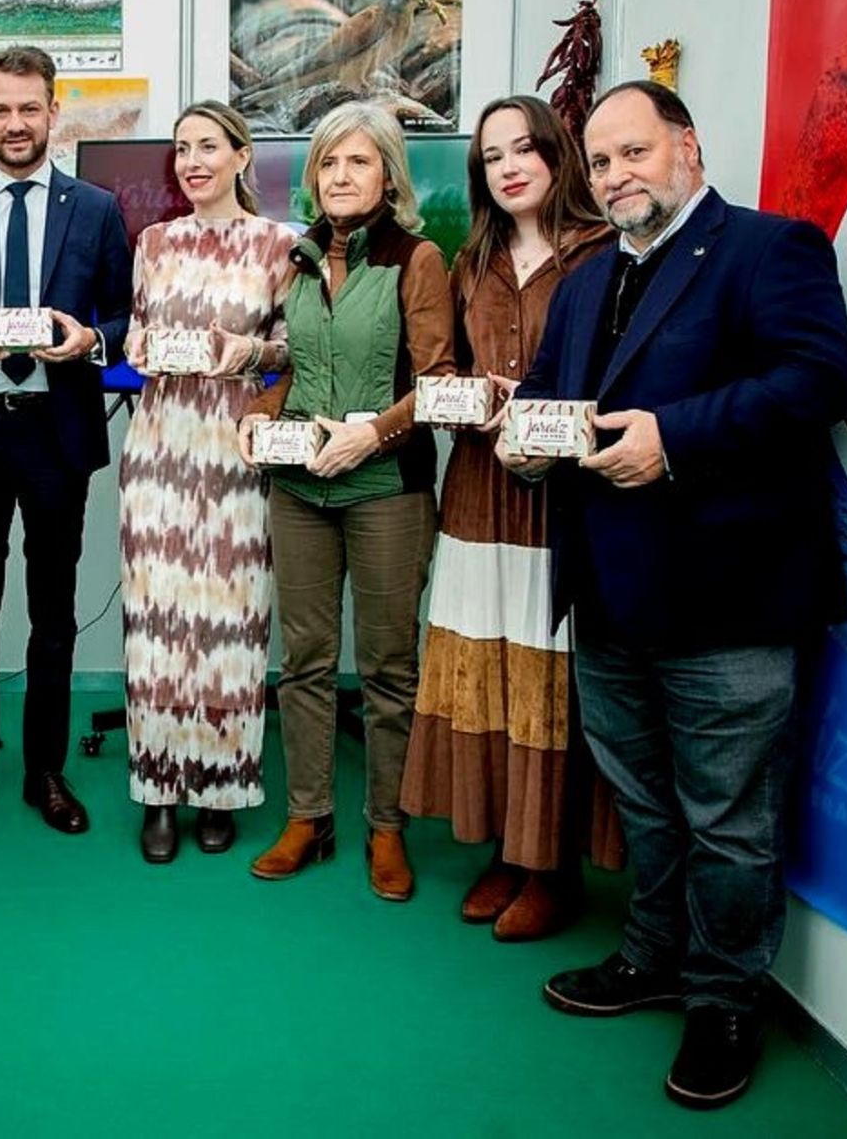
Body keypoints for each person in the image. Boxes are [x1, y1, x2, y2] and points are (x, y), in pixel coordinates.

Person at [499, 81, 847, 1109]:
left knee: (730, 822)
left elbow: (821, 379)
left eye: (632, 152)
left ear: (686, 146)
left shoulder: (767, 248)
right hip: (607, 595)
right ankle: (651, 956)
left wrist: (676, 439)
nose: (614, 175)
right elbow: (545, 400)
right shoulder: (585, 280)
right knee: (646, 804)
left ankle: (725, 1000)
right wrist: (526, 441)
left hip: (728, 603)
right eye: (599, 162)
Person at [400, 95, 623, 940]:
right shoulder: (475, 258)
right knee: (484, 665)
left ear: (558, 156)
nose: (509, 167)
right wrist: (471, 401)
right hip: (478, 490)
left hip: (562, 499)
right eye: (493, 157)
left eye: (524, 148)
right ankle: (504, 841)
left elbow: (623, 376)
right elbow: (444, 371)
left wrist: (540, 414)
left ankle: (551, 861)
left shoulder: (604, 254)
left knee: (549, 675)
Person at [237, 102, 454, 901]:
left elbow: (439, 385)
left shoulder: (418, 259)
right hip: (297, 489)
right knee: (303, 661)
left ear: (388, 176)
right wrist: (259, 420)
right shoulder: (295, 260)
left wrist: (372, 436)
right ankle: (309, 817)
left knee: (391, 667)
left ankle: (387, 827)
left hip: (385, 489)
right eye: (328, 164)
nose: (339, 177)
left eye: (357, 163)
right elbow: (293, 365)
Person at [0, 46, 132, 836]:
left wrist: (90, 340)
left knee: (53, 610)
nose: (15, 123)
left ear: (53, 112)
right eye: (0, 109)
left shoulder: (98, 209)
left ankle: (46, 770)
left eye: (29, 108)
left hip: (56, 436)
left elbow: (124, 317)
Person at [120, 101, 293, 864]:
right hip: (159, 447)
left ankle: (222, 787)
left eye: (207, 147)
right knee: (158, 628)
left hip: (236, 450)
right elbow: (133, 340)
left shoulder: (279, 246)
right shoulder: (154, 243)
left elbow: (296, 352)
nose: (192, 161)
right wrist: (144, 345)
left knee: (230, 626)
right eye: (182, 149)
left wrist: (247, 350)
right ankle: (158, 789)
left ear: (241, 156)